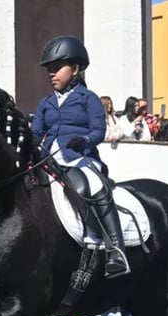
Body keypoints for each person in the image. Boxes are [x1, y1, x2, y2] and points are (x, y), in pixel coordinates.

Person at [31, 35, 128, 278]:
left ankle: (116, 249)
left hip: (79, 157)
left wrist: (84, 141)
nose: (52, 74)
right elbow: (36, 133)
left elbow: (99, 131)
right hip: (48, 159)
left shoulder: (89, 99)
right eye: (49, 70)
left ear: (75, 69)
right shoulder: (46, 103)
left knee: (91, 186)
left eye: (57, 68)